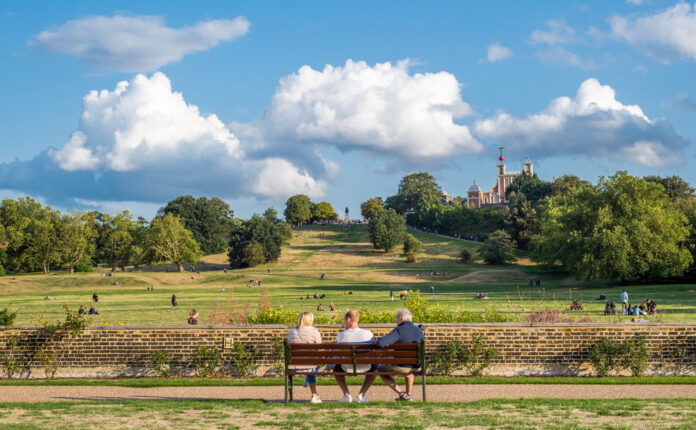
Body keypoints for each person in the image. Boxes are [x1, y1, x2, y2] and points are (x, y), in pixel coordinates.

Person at [356, 308, 424, 403]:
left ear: (400, 317)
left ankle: (401, 394)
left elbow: (381, 343)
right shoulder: (419, 330)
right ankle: (408, 395)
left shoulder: (400, 330)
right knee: (409, 371)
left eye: (396, 318)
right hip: (416, 365)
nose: (396, 320)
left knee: (380, 370)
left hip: (401, 365)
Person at [333, 310, 374, 402]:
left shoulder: (341, 335)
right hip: (366, 366)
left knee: (336, 368)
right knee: (374, 368)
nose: (344, 322)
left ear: (348, 319)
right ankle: (361, 395)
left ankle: (347, 394)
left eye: (344, 320)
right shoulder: (369, 334)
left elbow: (337, 352)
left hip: (346, 367)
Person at [287, 312, 322, 403]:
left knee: (311, 366)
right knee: (313, 365)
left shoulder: (291, 332)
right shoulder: (315, 332)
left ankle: (308, 379)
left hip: (294, 365)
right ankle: (314, 395)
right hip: (310, 364)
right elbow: (319, 349)